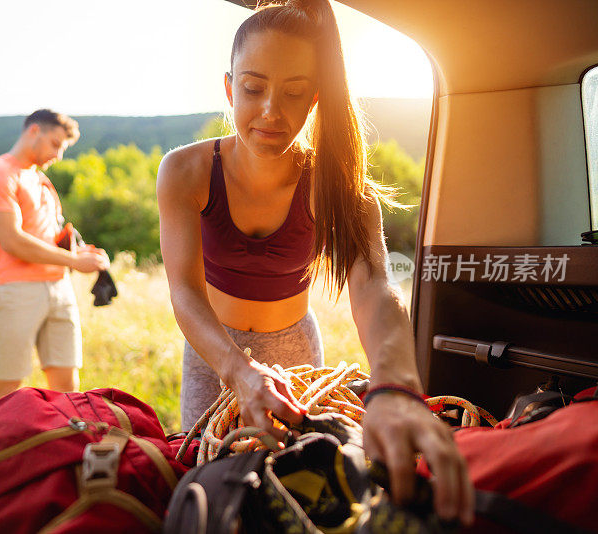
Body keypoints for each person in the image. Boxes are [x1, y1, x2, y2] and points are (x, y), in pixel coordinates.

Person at [156, 0, 473, 525]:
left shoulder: (339, 186)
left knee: (297, 495)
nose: (271, 112)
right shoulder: (184, 172)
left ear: (315, 99)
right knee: (208, 483)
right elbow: (185, 292)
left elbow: (375, 287)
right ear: (230, 87)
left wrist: (393, 385)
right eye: (254, 88)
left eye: (294, 93)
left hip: (299, 351)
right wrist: (236, 368)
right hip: (215, 352)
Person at [0, 109, 110, 402]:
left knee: (68, 391)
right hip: (15, 290)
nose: (58, 155)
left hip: (60, 289)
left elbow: (47, 239)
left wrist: (87, 255)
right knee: (7, 390)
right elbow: (12, 241)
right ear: (34, 131)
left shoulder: (42, 181)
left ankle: (61, 447)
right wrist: (75, 262)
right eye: (55, 144)